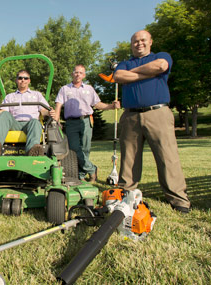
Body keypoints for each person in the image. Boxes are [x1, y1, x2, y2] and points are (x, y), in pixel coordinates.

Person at [113, 30, 191, 213]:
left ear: (150, 42)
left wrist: (132, 74)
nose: (139, 44)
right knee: (129, 158)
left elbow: (161, 66)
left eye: (142, 40)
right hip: (131, 116)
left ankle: (178, 199)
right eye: (135, 41)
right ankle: (127, 194)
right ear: (131, 44)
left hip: (158, 113)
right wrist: (147, 73)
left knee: (167, 157)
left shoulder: (161, 56)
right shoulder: (125, 63)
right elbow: (118, 77)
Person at [50, 64, 120, 182]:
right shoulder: (65, 89)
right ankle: (92, 169)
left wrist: (111, 106)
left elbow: (97, 104)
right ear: (72, 74)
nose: (78, 74)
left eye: (81, 73)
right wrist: (55, 121)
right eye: (76, 72)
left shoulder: (89, 89)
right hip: (71, 122)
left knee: (85, 149)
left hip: (86, 121)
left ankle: (81, 174)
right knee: (74, 149)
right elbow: (58, 106)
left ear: (84, 75)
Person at [0, 70, 50, 156]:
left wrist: (50, 112)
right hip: (14, 124)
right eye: (20, 78)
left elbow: (44, 110)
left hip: (30, 124)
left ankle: (33, 150)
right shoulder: (10, 96)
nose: (23, 80)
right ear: (16, 80)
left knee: (35, 122)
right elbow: (3, 112)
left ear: (29, 81)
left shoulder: (37, 95)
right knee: (4, 115)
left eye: (25, 78)